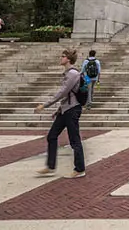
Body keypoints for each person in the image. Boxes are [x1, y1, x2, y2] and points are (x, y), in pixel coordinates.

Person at [34, 49, 85, 178]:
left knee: (74, 140)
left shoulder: (72, 74)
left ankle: (79, 169)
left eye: (62, 56)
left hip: (72, 109)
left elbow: (62, 93)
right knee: (52, 136)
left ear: (68, 59)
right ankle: (50, 166)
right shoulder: (67, 73)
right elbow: (66, 95)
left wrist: (44, 105)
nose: (60, 58)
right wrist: (58, 110)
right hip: (65, 110)